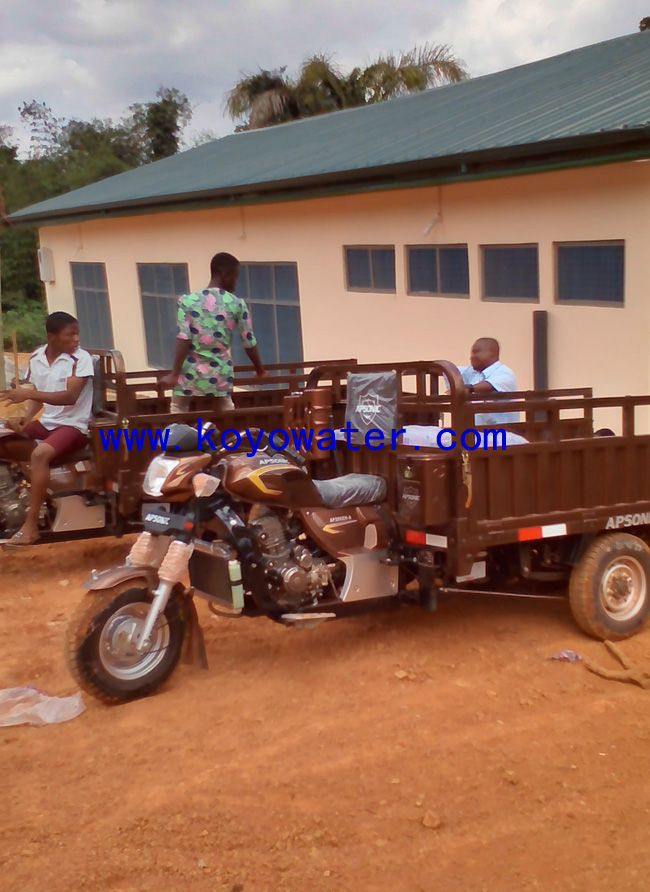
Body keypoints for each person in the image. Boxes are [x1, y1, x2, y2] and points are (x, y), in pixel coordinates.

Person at [0, 311, 94, 546]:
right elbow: (40, 394)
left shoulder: (81, 359)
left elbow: (69, 397)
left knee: (40, 454)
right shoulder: (36, 358)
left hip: (74, 426)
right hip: (48, 423)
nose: (76, 339)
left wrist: (28, 393)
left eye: (77, 334)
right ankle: (15, 500)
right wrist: (26, 418)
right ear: (51, 337)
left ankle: (30, 526)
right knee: (6, 441)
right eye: (69, 335)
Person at [159, 252, 266, 413]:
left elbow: (184, 337)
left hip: (190, 373)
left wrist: (174, 374)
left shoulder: (188, 301)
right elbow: (248, 340)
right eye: (234, 276)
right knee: (227, 409)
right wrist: (260, 371)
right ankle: (230, 437)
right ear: (225, 274)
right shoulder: (237, 304)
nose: (235, 282)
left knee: (178, 407)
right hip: (219, 374)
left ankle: (177, 436)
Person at [457, 337, 519, 426]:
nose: (471, 357)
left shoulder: (504, 372)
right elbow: (452, 371)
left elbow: (489, 385)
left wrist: (470, 388)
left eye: (476, 352)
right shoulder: (472, 372)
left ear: (492, 353)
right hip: (475, 434)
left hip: (501, 434)